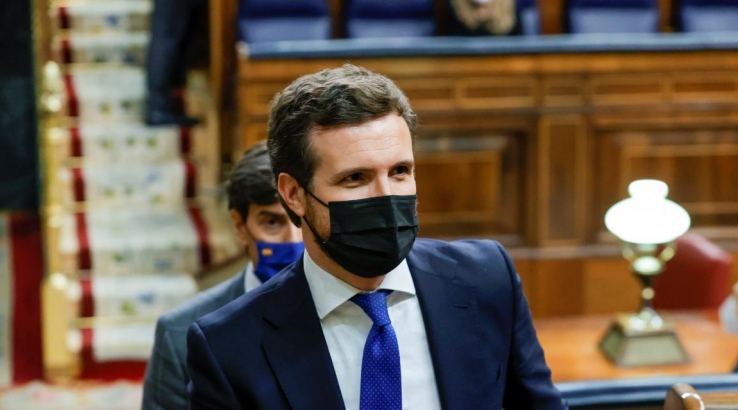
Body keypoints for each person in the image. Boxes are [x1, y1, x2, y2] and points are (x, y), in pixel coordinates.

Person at [186, 64, 565, 409]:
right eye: (355, 178)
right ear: (293, 194)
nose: (386, 197)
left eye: (400, 171)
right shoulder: (229, 347)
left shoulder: (486, 279)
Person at [141, 142, 303, 409]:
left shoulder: (362, 309)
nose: (294, 241)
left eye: (301, 219)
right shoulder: (180, 332)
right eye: (272, 223)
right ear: (240, 227)